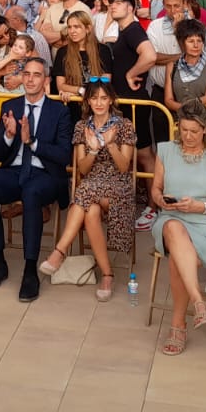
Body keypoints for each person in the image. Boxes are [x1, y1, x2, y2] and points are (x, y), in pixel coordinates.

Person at [0, 57, 73, 302]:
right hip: (15, 169)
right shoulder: (11, 105)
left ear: (46, 81)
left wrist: (32, 141)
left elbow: (64, 155)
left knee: (32, 193)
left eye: (37, 75)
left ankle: (30, 269)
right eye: (27, 74)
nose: (30, 79)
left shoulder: (60, 111)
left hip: (46, 173)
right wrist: (9, 135)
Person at [39, 80, 137, 301]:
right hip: (92, 183)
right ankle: (107, 275)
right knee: (90, 210)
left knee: (83, 194)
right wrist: (93, 150)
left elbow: (124, 167)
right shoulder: (82, 127)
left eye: (103, 98)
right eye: (94, 98)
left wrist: (110, 144)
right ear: (88, 101)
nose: (99, 103)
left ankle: (59, 251)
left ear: (111, 99)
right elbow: (82, 169)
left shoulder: (124, 125)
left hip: (118, 186)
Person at [150, 100, 206, 355]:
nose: (187, 136)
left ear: (205, 130)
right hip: (171, 218)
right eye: (183, 130)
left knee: (177, 256)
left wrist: (200, 207)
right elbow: (155, 188)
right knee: (174, 229)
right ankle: (198, 302)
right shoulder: (165, 151)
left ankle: (178, 325)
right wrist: (159, 199)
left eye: (194, 131)